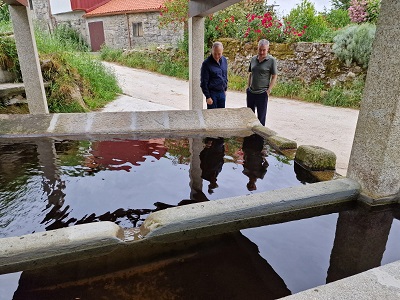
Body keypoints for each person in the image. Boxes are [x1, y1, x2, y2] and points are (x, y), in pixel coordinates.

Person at [247, 39, 278, 126]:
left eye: (264, 50)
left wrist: (268, 90)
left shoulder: (271, 60)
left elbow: (274, 76)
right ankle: (250, 137)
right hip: (251, 92)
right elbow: (250, 73)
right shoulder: (253, 59)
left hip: (262, 93)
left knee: (261, 118)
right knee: (250, 117)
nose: (261, 52)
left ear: (268, 49)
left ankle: (260, 138)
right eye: (260, 49)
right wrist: (248, 87)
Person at [200, 41, 228, 109]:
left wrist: (225, 89)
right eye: (215, 53)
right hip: (212, 94)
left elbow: (225, 75)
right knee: (212, 115)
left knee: (221, 114)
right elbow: (204, 82)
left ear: (222, 51)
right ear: (212, 51)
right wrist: (208, 97)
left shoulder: (224, 60)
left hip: (222, 93)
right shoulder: (206, 64)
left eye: (219, 54)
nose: (217, 56)